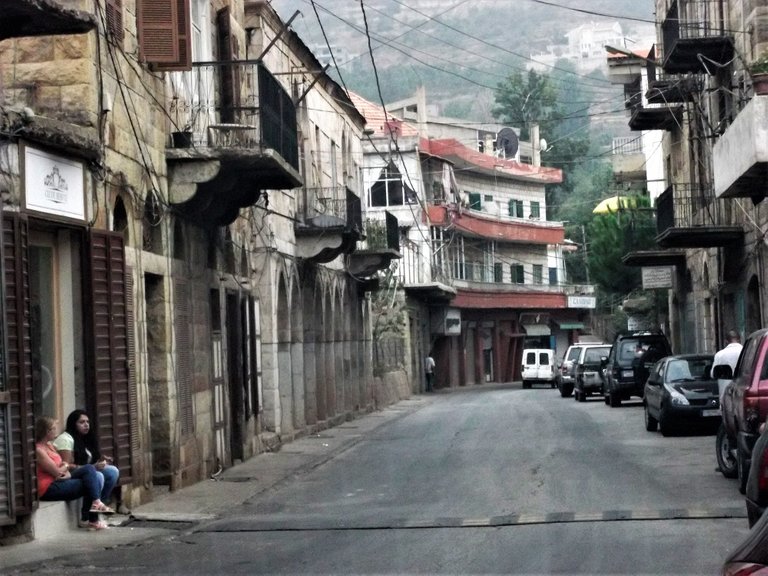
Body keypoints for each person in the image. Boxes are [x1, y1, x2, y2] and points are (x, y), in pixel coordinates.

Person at [35, 416, 114, 531]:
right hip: (49, 487)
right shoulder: (39, 450)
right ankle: (92, 518)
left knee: (89, 469)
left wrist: (64, 469)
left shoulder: (49, 445)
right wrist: (65, 467)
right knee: (93, 481)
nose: (57, 431)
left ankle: (95, 506)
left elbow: (61, 468)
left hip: (59, 480)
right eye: (54, 428)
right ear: (47, 431)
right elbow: (57, 471)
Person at [54, 409, 122, 513]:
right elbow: (65, 466)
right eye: (81, 422)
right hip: (71, 474)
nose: (86, 425)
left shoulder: (86, 438)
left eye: (87, 422)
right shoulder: (65, 439)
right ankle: (87, 515)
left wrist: (101, 459)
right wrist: (93, 468)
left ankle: (98, 508)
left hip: (87, 471)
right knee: (98, 476)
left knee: (113, 471)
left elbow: (88, 460)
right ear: (73, 424)